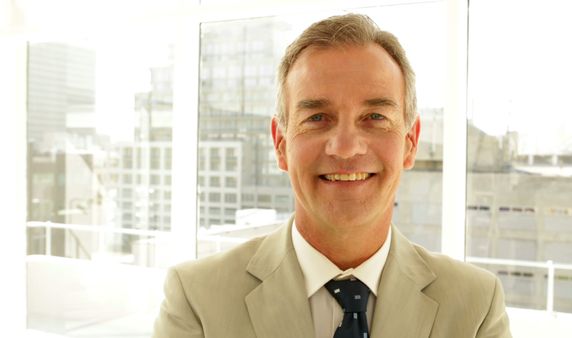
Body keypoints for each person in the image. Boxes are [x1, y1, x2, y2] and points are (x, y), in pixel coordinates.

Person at [153, 13, 511, 338]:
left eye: (374, 117)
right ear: (280, 145)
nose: (345, 148)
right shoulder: (196, 298)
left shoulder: (476, 306)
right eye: (317, 118)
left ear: (410, 143)